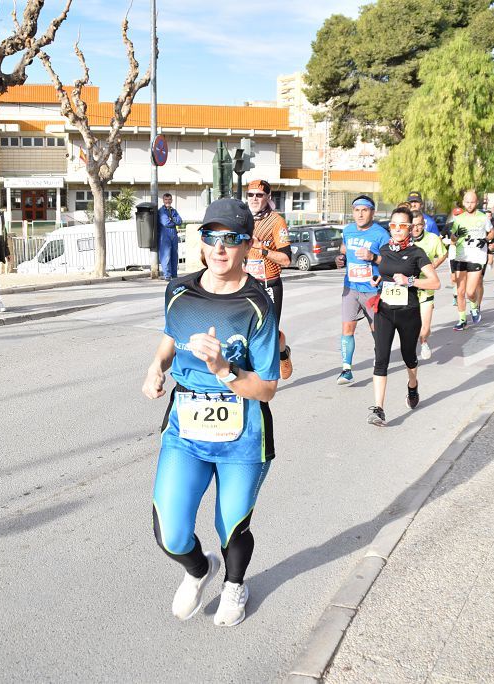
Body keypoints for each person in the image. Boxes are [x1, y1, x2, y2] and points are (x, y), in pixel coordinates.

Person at [141, 197, 279, 627]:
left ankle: (235, 585)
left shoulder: (257, 306)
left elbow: (268, 388)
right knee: (170, 531)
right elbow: (170, 338)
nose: (220, 248)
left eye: (232, 239)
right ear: (201, 242)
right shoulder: (179, 291)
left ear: (246, 246)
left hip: (243, 433)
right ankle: (199, 571)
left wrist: (223, 369)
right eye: (211, 237)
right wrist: (155, 368)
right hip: (186, 428)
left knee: (230, 526)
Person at [366, 206, 440, 426]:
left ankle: (413, 384)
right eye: (393, 225)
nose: (397, 230)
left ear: (410, 228)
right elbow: (384, 272)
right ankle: (378, 409)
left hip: (409, 313)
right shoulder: (384, 249)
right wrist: (377, 280)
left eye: (402, 226)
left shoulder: (417, 253)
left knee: (409, 356)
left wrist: (409, 281)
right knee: (381, 360)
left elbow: (435, 282)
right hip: (385, 312)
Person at [333, 195, 391, 385]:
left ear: (372, 212)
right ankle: (346, 369)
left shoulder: (381, 234)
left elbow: (390, 262)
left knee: (377, 330)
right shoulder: (348, 231)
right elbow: (343, 251)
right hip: (351, 288)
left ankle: (380, 359)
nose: (360, 214)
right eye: (357, 210)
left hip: (373, 290)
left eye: (364, 210)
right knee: (347, 328)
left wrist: (373, 257)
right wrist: (340, 259)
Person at [245, 180, 293, 379]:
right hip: (246, 285)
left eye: (259, 195)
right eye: (251, 195)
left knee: (270, 335)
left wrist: (261, 249)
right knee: (246, 332)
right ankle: (252, 377)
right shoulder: (243, 219)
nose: (254, 199)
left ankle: (282, 353)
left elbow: (287, 260)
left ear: (268, 197)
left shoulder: (276, 221)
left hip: (269, 284)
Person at [449, 190, 494, 331]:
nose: (469, 205)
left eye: (472, 202)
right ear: (463, 202)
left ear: (477, 202)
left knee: (470, 292)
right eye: (467, 202)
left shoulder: (483, 217)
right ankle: (462, 320)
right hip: (461, 256)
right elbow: (452, 239)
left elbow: (492, 232)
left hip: (477, 257)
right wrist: (456, 235)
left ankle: (474, 306)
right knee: (460, 291)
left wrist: (485, 239)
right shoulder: (458, 219)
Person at [411, 210, 446, 359]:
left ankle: (424, 341)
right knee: (411, 324)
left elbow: (443, 253)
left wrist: (434, 265)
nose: (416, 229)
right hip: (408, 288)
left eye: (419, 225)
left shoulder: (433, 239)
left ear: (424, 225)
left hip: (426, 286)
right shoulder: (402, 240)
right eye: (412, 226)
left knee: (424, 327)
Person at [158, 192, 183, 280]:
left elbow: (180, 221)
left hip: (173, 235)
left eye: (169, 199)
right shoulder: (161, 211)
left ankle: (174, 275)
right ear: (163, 200)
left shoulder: (173, 210)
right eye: (166, 199)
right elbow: (166, 223)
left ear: (171, 200)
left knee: (174, 255)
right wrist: (173, 220)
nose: (167, 201)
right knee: (166, 256)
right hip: (165, 235)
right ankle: (167, 275)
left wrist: (172, 219)